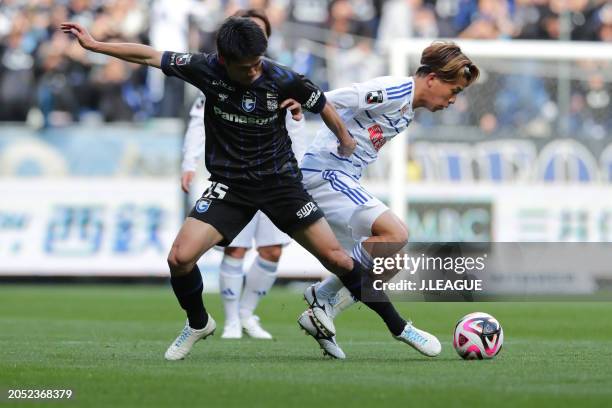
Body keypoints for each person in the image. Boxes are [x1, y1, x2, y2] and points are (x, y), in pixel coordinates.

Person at [61, 17, 423, 362]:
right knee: (179, 258)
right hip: (232, 186)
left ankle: (400, 327)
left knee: (339, 260)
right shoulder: (204, 68)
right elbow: (149, 55)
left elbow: (323, 104)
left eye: (257, 63)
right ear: (223, 60)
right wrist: (95, 45)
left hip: (281, 184)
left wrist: (345, 138)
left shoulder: (282, 77)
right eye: (246, 67)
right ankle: (199, 323)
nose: (254, 71)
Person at [296, 41, 480, 358]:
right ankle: (324, 296)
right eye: (454, 90)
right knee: (397, 234)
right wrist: (303, 101)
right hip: (324, 171)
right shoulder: (394, 90)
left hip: (343, 177)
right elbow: (339, 97)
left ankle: (324, 300)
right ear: (433, 78)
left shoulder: (407, 111)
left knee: (393, 261)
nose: (452, 100)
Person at [180, 9, 307, 340]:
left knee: (272, 251)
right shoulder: (219, 75)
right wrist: (189, 162)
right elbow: (197, 119)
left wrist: (298, 119)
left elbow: (299, 125)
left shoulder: (280, 78)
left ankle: (249, 314)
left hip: (277, 177)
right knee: (236, 249)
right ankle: (232, 319)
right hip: (237, 177)